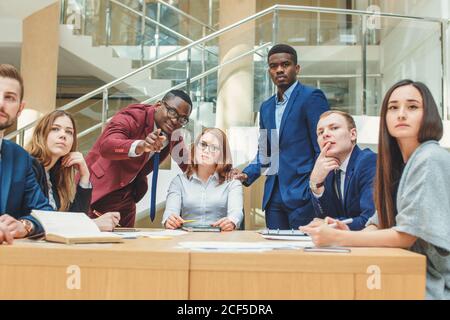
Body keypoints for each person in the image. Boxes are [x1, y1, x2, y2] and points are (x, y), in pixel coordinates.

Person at [300, 80, 450, 299]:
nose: (400, 114)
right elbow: (379, 219)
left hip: (432, 283)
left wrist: (339, 238)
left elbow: (407, 234)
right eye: (393, 107)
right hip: (406, 271)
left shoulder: (429, 158)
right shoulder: (399, 163)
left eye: (412, 107)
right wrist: (344, 229)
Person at [230, 44, 329, 229]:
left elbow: (323, 148)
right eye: (274, 66)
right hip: (273, 196)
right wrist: (246, 174)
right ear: (269, 71)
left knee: (303, 253)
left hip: (303, 194)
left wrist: (315, 188)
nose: (279, 69)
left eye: (286, 64)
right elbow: (266, 153)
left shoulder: (312, 97)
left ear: (296, 68)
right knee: (275, 252)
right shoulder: (266, 107)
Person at [85, 90, 192, 227]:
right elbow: (107, 146)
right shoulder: (132, 116)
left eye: (182, 119)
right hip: (98, 190)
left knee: (127, 244)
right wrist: (141, 146)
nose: (175, 120)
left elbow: (190, 166)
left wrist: (224, 173)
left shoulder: (173, 133)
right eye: (172, 112)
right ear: (158, 105)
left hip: (127, 196)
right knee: (89, 241)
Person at [26, 110, 120, 231]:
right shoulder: (28, 168)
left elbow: (75, 216)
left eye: (69, 132)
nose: (63, 135)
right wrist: (92, 224)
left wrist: (85, 176)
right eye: (55, 129)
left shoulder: (54, 177)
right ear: (41, 133)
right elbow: (41, 221)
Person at [0, 64, 53, 243]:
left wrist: (25, 225)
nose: (1, 103)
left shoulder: (20, 158)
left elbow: (45, 212)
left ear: (20, 108)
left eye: (9, 98)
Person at [163, 128, 243, 231]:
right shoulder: (179, 181)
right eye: (203, 144)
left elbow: (236, 213)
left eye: (214, 147)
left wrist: (232, 221)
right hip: (186, 241)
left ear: (222, 155)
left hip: (220, 240)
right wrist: (169, 220)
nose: (206, 150)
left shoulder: (232, 183)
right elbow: (170, 212)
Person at [309, 110, 377, 230]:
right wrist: (316, 183)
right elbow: (327, 217)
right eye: (320, 132)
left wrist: (329, 225)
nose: (325, 134)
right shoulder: (328, 169)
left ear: (353, 134)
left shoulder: (369, 162)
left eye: (334, 128)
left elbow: (369, 220)